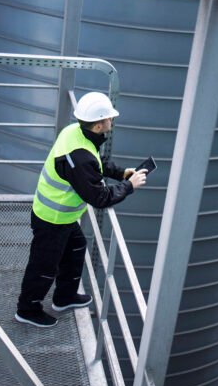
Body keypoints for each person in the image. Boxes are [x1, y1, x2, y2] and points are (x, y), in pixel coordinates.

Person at [15, 92, 148, 327]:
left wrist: (121, 173)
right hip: (53, 219)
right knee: (44, 266)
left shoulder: (75, 133)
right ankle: (27, 310)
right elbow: (100, 197)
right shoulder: (80, 156)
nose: (111, 121)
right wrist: (129, 186)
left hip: (62, 217)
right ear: (99, 124)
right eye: (109, 118)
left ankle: (64, 297)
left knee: (76, 248)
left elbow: (97, 164)